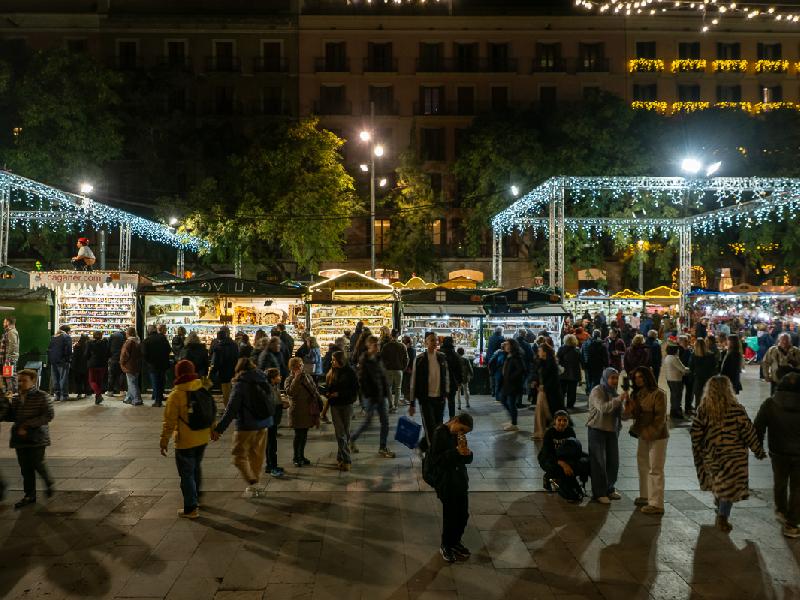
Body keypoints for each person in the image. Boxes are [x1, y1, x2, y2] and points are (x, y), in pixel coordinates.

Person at [691, 375, 766, 533]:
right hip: (734, 457)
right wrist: (758, 450)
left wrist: (700, 451)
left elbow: (696, 434)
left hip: (713, 455)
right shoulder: (737, 409)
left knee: (720, 482)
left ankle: (720, 506)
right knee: (729, 487)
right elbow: (748, 432)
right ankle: (723, 516)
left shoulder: (703, 410)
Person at [159, 360, 214, 519]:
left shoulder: (176, 395)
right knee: (195, 467)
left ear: (177, 373)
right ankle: (196, 498)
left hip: (185, 441)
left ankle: (190, 508)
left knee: (186, 474)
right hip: (202, 437)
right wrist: (213, 429)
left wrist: (164, 441)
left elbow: (169, 422)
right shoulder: (201, 387)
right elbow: (210, 410)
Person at [212, 358, 273, 497]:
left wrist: (219, 429)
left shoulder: (240, 385)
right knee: (257, 455)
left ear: (238, 369)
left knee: (238, 456)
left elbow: (231, 410)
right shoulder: (263, 379)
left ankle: (253, 482)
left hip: (247, 426)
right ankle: (256, 485)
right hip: (264, 423)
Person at [754, 370, 800, 538]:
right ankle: (792, 524)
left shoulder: (770, 404)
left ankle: (781, 510)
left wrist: (758, 448)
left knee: (780, 482)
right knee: (797, 488)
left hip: (778, 452)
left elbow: (758, 427)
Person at [1, 369, 55, 509]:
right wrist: (5, 405)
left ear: (33, 381)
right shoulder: (16, 398)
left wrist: (27, 425)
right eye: (19, 380)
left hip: (37, 437)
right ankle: (29, 495)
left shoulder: (42, 396)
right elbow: (12, 416)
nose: (20, 383)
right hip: (19, 438)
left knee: (37, 463)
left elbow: (48, 415)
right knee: (25, 468)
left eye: (24, 380)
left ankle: (48, 481)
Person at [429, 412, 474, 564]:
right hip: (447, 482)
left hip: (460, 481)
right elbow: (436, 460)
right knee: (451, 515)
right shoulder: (439, 433)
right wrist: (456, 452)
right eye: (461, 429)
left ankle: (455, 542)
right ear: (455, 421)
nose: (462, 433)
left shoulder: (458, 436)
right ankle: (446, 545)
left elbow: (465, 458)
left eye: (465, 432)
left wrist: (467, 454)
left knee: (463, 515)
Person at [624, 366, 669, 515]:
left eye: (641, 377)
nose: (638, 380)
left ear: (648, 377)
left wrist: (649, 432)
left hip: (658, 436)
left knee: (656, 468)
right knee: (642, 465)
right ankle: (645, 495)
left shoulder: (659, 394)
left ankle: (657, 504)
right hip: (643, 435)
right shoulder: (636, 395)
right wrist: (628, 408)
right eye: (636, 377)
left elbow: (660, 418)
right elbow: (629, 416)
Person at [352, 335, 395, 458]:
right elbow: (361, 380)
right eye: (375, 345)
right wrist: (368, 394)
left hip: (381, 395)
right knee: (368, 422)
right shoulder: (364, 360)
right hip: (371, 396)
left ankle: (383, 447)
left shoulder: (379, 358)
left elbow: (383, 377)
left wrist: (387, 394)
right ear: (369, 346)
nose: (378, 347)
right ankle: (352, 439)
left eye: (379, 345)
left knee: (385, 422)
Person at [587, 368, 624, 504]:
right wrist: (619, 399)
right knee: (599, 463)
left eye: (616, 378)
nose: (615, 381)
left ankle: (609, 488)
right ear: (605, 378)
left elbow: (623, 414)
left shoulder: (615, 393)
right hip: (597, 430)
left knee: (613, 462)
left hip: (612, 431)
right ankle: (599, 493)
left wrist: (629, 406)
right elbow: (603, 408)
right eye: (612, 378)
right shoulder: (597, 391)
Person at [538, 410, 590, 501]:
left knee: (587, 460)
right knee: (559, 469)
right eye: (559, 420)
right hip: (549, 458)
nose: (562, 423)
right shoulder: (549, 433)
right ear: (555, 421)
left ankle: (580, 485)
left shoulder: (570, 431)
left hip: (564, 457)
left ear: (568, 421)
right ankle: (549, 476)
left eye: (565, 420)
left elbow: (573, 449)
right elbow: (548, 453)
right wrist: (563, 464)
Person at [409, 332, 449, 444]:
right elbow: (413, 381)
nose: (435, 342)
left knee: (438, 425)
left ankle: (425, 446)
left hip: (439, 398)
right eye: (432, 340)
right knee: (430, 426)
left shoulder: (442, 357)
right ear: (426, 342)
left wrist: (446, 392)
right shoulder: (420, 359)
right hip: (426, 399)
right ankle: (432, 451)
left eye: (436, 340)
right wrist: (412, 403)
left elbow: (446, 376)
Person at [326, 350, 358, 471]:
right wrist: (328, 392)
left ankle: (340, 457)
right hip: (335, 405)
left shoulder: (350, 372)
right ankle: (347, 459)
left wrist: (339, 394)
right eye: (332, 360)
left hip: (347, 405)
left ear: (341, 360)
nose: (332, 362)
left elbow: (355, 390)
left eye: (334, 360)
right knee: (340, 433)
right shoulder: (332, 371)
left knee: (346, 433)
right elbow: (329, 387)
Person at [285, 356, 321, 467]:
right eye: (297, 366)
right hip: (297, 412)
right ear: (292, 368)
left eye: (301, 365)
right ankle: (296, 457)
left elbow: (314, 389)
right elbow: (290, 392)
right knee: (298, 435)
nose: (300, 367)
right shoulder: (289, 379)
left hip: (307, 410)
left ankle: (301, 455)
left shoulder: (307, 376)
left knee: (304, 434)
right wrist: (296, 378)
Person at [142, 325, 171, 408]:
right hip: (163, 364)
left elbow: (144, 354)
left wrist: (149, 362)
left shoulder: (146, 341)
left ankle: (157, 401)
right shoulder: (162, 338)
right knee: (161, 382)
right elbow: (169, 349)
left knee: (155, 382)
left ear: (148, 331)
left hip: (153, 365)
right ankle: (159, 398)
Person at [264, 368, 286, 477]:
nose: (280, 377)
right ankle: (272, 467)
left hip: (273, 419)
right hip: (270, 420)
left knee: (272, 443)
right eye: (278, 376)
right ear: (272, 378)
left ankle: (271, 465)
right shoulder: (268, 389)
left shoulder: (273, 386)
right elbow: (271, 405)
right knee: (271, 444)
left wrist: (282, 403)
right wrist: (281, 405)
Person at [501, 339, 526, 432]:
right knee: (503, 400)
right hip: (508, 383)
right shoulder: (509, 355)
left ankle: (514, 424)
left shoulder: (516, 356)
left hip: (513, 384)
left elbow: (522, 369)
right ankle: (512, 420)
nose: (505, 346)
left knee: (511, 403)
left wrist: (511, 377)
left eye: (507, 344)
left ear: (512, 346)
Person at [380, 329, 408, 413]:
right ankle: (395, 406)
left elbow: (382, 358)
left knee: (389, 388)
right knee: (398, 388)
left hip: (388, 369)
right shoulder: (402, 346)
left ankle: (390, 405)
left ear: (391, 335)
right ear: (398, 335)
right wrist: (403, 368)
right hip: (399, 369)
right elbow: (406, 359)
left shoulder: (386, 346)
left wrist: (385, 367)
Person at [210, 327, 238, 406]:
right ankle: (231, 405)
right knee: (231, 389)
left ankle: (227, 406)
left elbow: (216, 361)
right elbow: (237, 357)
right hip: (232, 369)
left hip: (223, 370)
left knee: (225, 389)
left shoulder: (219, 346)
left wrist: (213, 372)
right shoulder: (234, 344)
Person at [689, 338, 717, 416]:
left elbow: (691, 368)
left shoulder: (694, 355)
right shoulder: (711, 355)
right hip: (708, 380)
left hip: (698, 379)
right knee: (708, 397)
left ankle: (698, 415)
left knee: (698, 398)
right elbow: (714, 368)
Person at [47, 325, 72, 402]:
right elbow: (68, 349)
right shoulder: (66, 337)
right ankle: (64, 395)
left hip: (53, 361)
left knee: (55, 378)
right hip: (62, 360)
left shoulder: (53, 337)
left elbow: (49, 349)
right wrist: (68, 359)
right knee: (63, 378)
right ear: (67, 331)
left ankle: (57, 395)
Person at [663, 344, 689, 420]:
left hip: (669, 379)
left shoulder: (667, 357)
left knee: (673, 395)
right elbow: (683, 369)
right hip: (676, 379)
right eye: (677, 349)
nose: (678, 350)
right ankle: (676, 412)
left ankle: (673, 411)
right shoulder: (674, 358)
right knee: (677, 396)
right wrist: (690, 369)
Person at [556, 334, 582, 410]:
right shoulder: (577, 350)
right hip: (574, 373)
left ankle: (560, 404)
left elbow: (557, 359)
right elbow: (581, 361)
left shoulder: (561, 349)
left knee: (562, 390)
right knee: (572, 391)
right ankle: (570, 405)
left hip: (562, 373)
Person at [537, 343, 563, 415]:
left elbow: (553, 379)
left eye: (540, 351)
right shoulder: (541, 362)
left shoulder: (551, 363)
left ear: (545, 352)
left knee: (554, 412)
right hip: (546, 391)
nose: (538, 353)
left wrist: (544, 386)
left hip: (552, 393)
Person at [441, 337, 463, 420]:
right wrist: (459, 381)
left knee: (441, 402)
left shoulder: (439, 354)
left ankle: (440, 420)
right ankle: (452, 418)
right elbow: (459, 370)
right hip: (452, 382)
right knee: (451, 401)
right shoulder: (456, 355)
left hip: (441, 382)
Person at [120, 327, 143, 406]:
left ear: (128, 333)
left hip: (129, 365)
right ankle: (129, 398)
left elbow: (124, 354)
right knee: (133, 382)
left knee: (132, 383)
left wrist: (122, 362)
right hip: (137, 365)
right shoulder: (138, 341)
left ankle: (137, 399)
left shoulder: (129, 342)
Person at [86, 331, 110, 405]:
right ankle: (97, 399)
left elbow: (86, 354)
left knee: (92, 381)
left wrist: (88, 359)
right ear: (101, 336)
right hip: (103, 364)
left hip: (93, 364)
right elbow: (109, 353)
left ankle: (98, 394)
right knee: (99, 381)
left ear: (93, 336)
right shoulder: (105, 343)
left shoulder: (89, 343)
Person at [1, 317, 20, 394]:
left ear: (8, 323)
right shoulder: (9, 332)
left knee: (10, 376)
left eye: (4, 322)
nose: (3, 323)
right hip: (8, 358)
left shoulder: (11, 332)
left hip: (10, 358)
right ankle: (11, 392)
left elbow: (12, 346)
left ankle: (12, 393)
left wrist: (8, 358)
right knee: (9, 375)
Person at [70, 334, 90, 399]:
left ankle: (79, 393)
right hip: (86, 366)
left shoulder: (76, 346)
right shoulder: (88, 346)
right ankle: (87, 393)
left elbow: (74, 357)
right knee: (86, 380)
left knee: (78, 381)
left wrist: (73, 365)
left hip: (77, 366)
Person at [107, 329, 126, 397]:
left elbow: (108, 347)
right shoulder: (124, 337)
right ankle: (122, 391)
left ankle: (110, 391)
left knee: (111, 375)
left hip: (113, 358)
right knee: (121, 375)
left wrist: (109, 356)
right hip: (121, 359)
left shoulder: (112, 336)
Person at [678, 335, 694, 411]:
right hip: (681, 374)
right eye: (685, 341)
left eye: (687, 341)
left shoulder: (689, 350)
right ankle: (680, 407)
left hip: (688, 374)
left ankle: (688, 407)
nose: (687, 342)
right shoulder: (678, 351)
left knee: (689, 391)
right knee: (679, 392)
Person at [401, 335, 416, 403]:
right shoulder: (411, 349)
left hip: (408, 369)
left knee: (407, 384)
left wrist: (409, 368)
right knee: (406, 384)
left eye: (404, 342)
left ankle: (408, 399)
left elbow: (411, 360)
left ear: (407, 343)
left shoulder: (410, 350)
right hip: (408, 369)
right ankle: (406, 398)